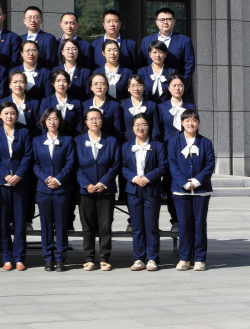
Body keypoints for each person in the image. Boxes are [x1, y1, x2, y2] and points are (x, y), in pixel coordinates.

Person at [74, 108, 120, 271]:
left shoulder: (111, 141)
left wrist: (104, 182)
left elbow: (116, 164)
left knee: (105, 226)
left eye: (97, 118)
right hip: (85, 191)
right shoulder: (77, 141)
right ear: (86, 122)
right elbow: (74, 165)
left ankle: (104, 258)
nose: (94, 121)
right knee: (87, 226)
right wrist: (86, 184)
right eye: (91, 119)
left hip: (105, 190)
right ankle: (89, 258)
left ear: (102, 121)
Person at [167, 108, 213, 271]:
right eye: (187, 120)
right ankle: (184, 258)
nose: (190, 123)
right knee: (184, 225)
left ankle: (199, 259)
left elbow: (210, 165)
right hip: (181, 191)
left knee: (199, 224)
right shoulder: (174, 142)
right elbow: (172, 164)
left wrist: (196, 181)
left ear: (198, 123)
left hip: (201, 191)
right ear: (182, 123)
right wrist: (184, 183)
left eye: (193, 120)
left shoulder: (206, 142)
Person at [0, 102, 33, 271]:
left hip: (21, 182)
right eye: (6, 113)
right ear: (0, 115)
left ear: (17, 115)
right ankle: (7, 257)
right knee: (4, 221)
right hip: (1, 183)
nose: (9, 116)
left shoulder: (24, 132)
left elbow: (28, 155)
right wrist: (5, 175)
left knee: (20, 221)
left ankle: (20, 257)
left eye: (13, 113)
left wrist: (18, 175)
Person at [122, 112, 166, 271]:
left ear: (149, 127)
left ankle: (153, 258)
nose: (140, 128)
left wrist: (147, 178)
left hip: (152, 190)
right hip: (133, 190)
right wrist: (135, 178)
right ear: (132, 127)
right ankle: (139, 258)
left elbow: (163, 166)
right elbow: (123, 167)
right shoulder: (126, 146)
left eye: (144, 124)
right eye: (137, 125)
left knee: (151, 225)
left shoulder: (158, 146)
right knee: (137, 226)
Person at [32, 108, 74, 272]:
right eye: (49, 119)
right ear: (44, 121)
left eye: (55, 119)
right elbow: (34, 163)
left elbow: (70, 163)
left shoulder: (67, 140)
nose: (52, 122)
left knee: (61, 225)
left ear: (60, 121)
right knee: (46, 225)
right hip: (43, 189)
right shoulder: (37, 140)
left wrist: (58, 179)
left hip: (62, 189)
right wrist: (46, 178)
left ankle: (61, 257)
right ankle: (48, 258)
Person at [141, 7, 195, 82]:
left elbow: (189, 66)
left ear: (174, 21)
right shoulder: (146, 41)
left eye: (169, 19)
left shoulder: (185, 40)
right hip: (151, 85)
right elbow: (142, 64)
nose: (165, 22)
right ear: (156, 22)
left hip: (175, 86)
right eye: (162, 20)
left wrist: (182, 84)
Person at [37, 70, 82, 138]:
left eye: (64, 81)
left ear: (68, 83)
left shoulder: (76, 103)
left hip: (71, 139)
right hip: (50, 140)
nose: (61, 84)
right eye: (58, 81)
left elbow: (79, 126)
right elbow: (43, 123)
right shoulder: (45, 101)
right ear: (52, 83)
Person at [121, 74, 162, 144]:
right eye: (132, 86)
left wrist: (154, 143)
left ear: (144, 87)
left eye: (139, 85)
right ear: (128, 88)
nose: (136, 88)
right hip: (128, 143)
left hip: (147, 143)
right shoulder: (122, 105)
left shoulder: (152, 105)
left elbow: (155, 128)